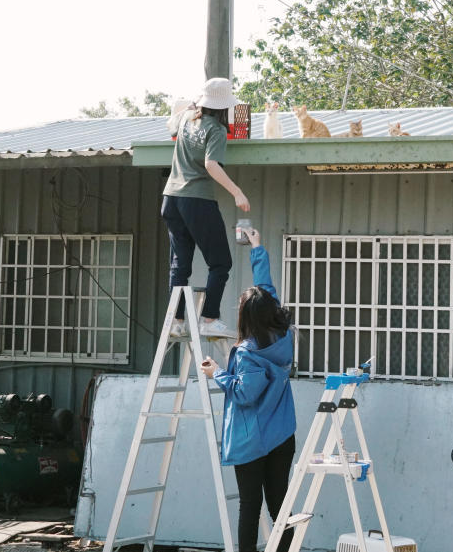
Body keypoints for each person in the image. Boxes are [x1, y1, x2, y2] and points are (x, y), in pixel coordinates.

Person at [200, 228, 296, 552]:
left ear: (246, 318)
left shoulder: (248, 353)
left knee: (250, 506)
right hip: (282, 435)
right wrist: (257, 248)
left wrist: (218, 374)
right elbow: (266, 289)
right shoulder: (283, 338)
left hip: (254, 441)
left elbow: (244, 394)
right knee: (280, 506)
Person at [161, 77, 250, 337]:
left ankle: (176, 322)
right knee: (220, 262)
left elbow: (170, 125)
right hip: (197, 200)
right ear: (225, 106)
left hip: (171, 199)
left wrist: (187, 108)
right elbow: (212, 165)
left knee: (180, 266)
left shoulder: (187, 117)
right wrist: (237, 192)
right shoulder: (217, 130)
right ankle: (209, 319)